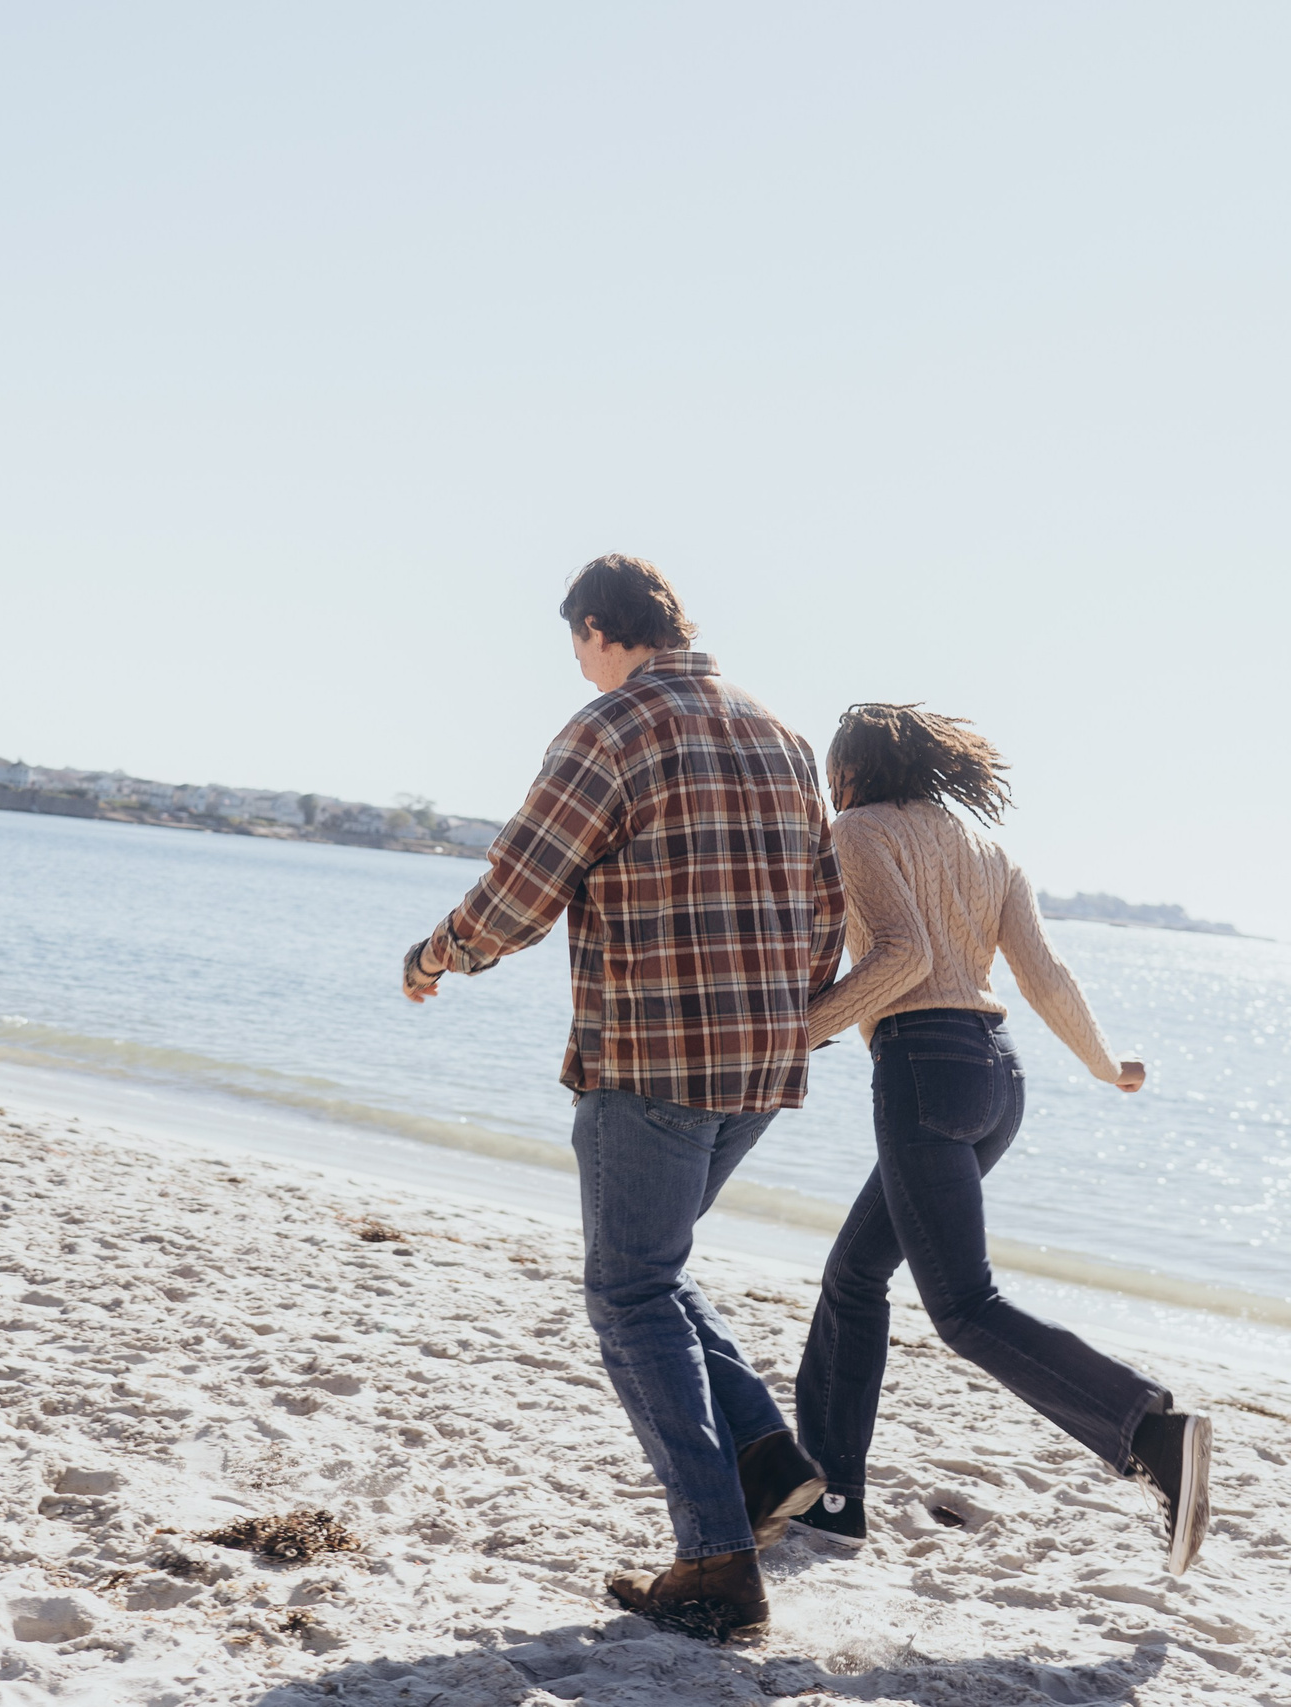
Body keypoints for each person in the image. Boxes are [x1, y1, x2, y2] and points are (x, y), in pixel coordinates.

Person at [401, 555, 846, 1635]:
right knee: (653, 1271)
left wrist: (439, 952)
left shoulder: (613, 726)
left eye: (577, 645)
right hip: (759, 1064)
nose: (580, 666)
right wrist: (783, 1019)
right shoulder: (781, 734)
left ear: (601, 628)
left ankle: (715, 1559)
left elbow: (523, 883)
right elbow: (828, 908)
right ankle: (763, 1455)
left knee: (630, 1294)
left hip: (654, 1059)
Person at [788, 704, 1213, 1574]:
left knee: (963, 1307)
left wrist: (790, 1035)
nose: (832, 786)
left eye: (834, 771)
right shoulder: (989, 851)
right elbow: (1044, 976)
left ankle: (1148, 1428)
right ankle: (832, 1498)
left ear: (854, 769)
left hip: (923, 1069)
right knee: (855, 1274)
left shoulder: (859, 829)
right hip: (998, 1079)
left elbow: (903, 957)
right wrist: (1105, 1064)